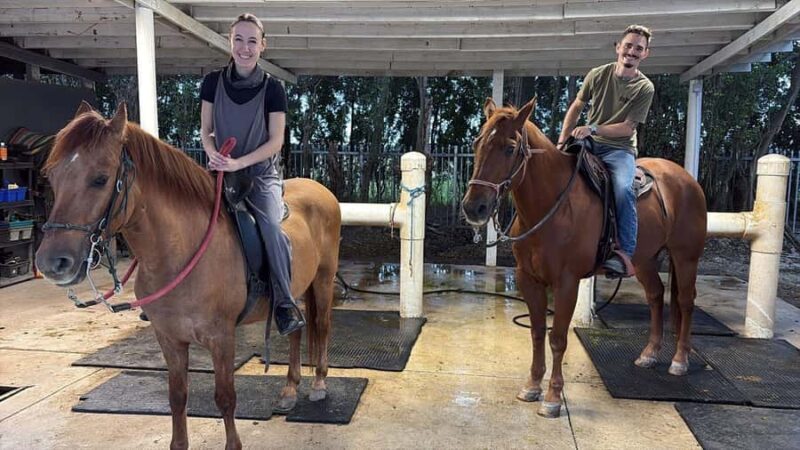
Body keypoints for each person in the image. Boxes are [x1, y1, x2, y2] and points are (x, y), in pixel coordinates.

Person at [200, 13, 304, 335]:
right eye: (238, 40)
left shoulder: (273, 89)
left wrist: (239, 163)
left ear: (263, 45)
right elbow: (206, 130)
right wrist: (212, 153)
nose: (245, 48)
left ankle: (285, 304)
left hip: (259, 176)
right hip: (221, 169)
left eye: (252, 41)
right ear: (230, 43)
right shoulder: (212, 82)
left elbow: (276, 141)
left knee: (272, 228)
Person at [556, 24, 655, 278]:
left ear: (645, 54)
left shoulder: (645, 88)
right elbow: (577, 107)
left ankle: (623, 254)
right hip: (588, 141)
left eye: (638, 49)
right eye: (629, 45)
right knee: (557, 173)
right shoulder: (597, 74)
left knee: (622, 189)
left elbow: (627, 128)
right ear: (618, 47)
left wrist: (593, 128)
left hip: (618, 149)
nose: (632, 51)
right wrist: (561, 141)